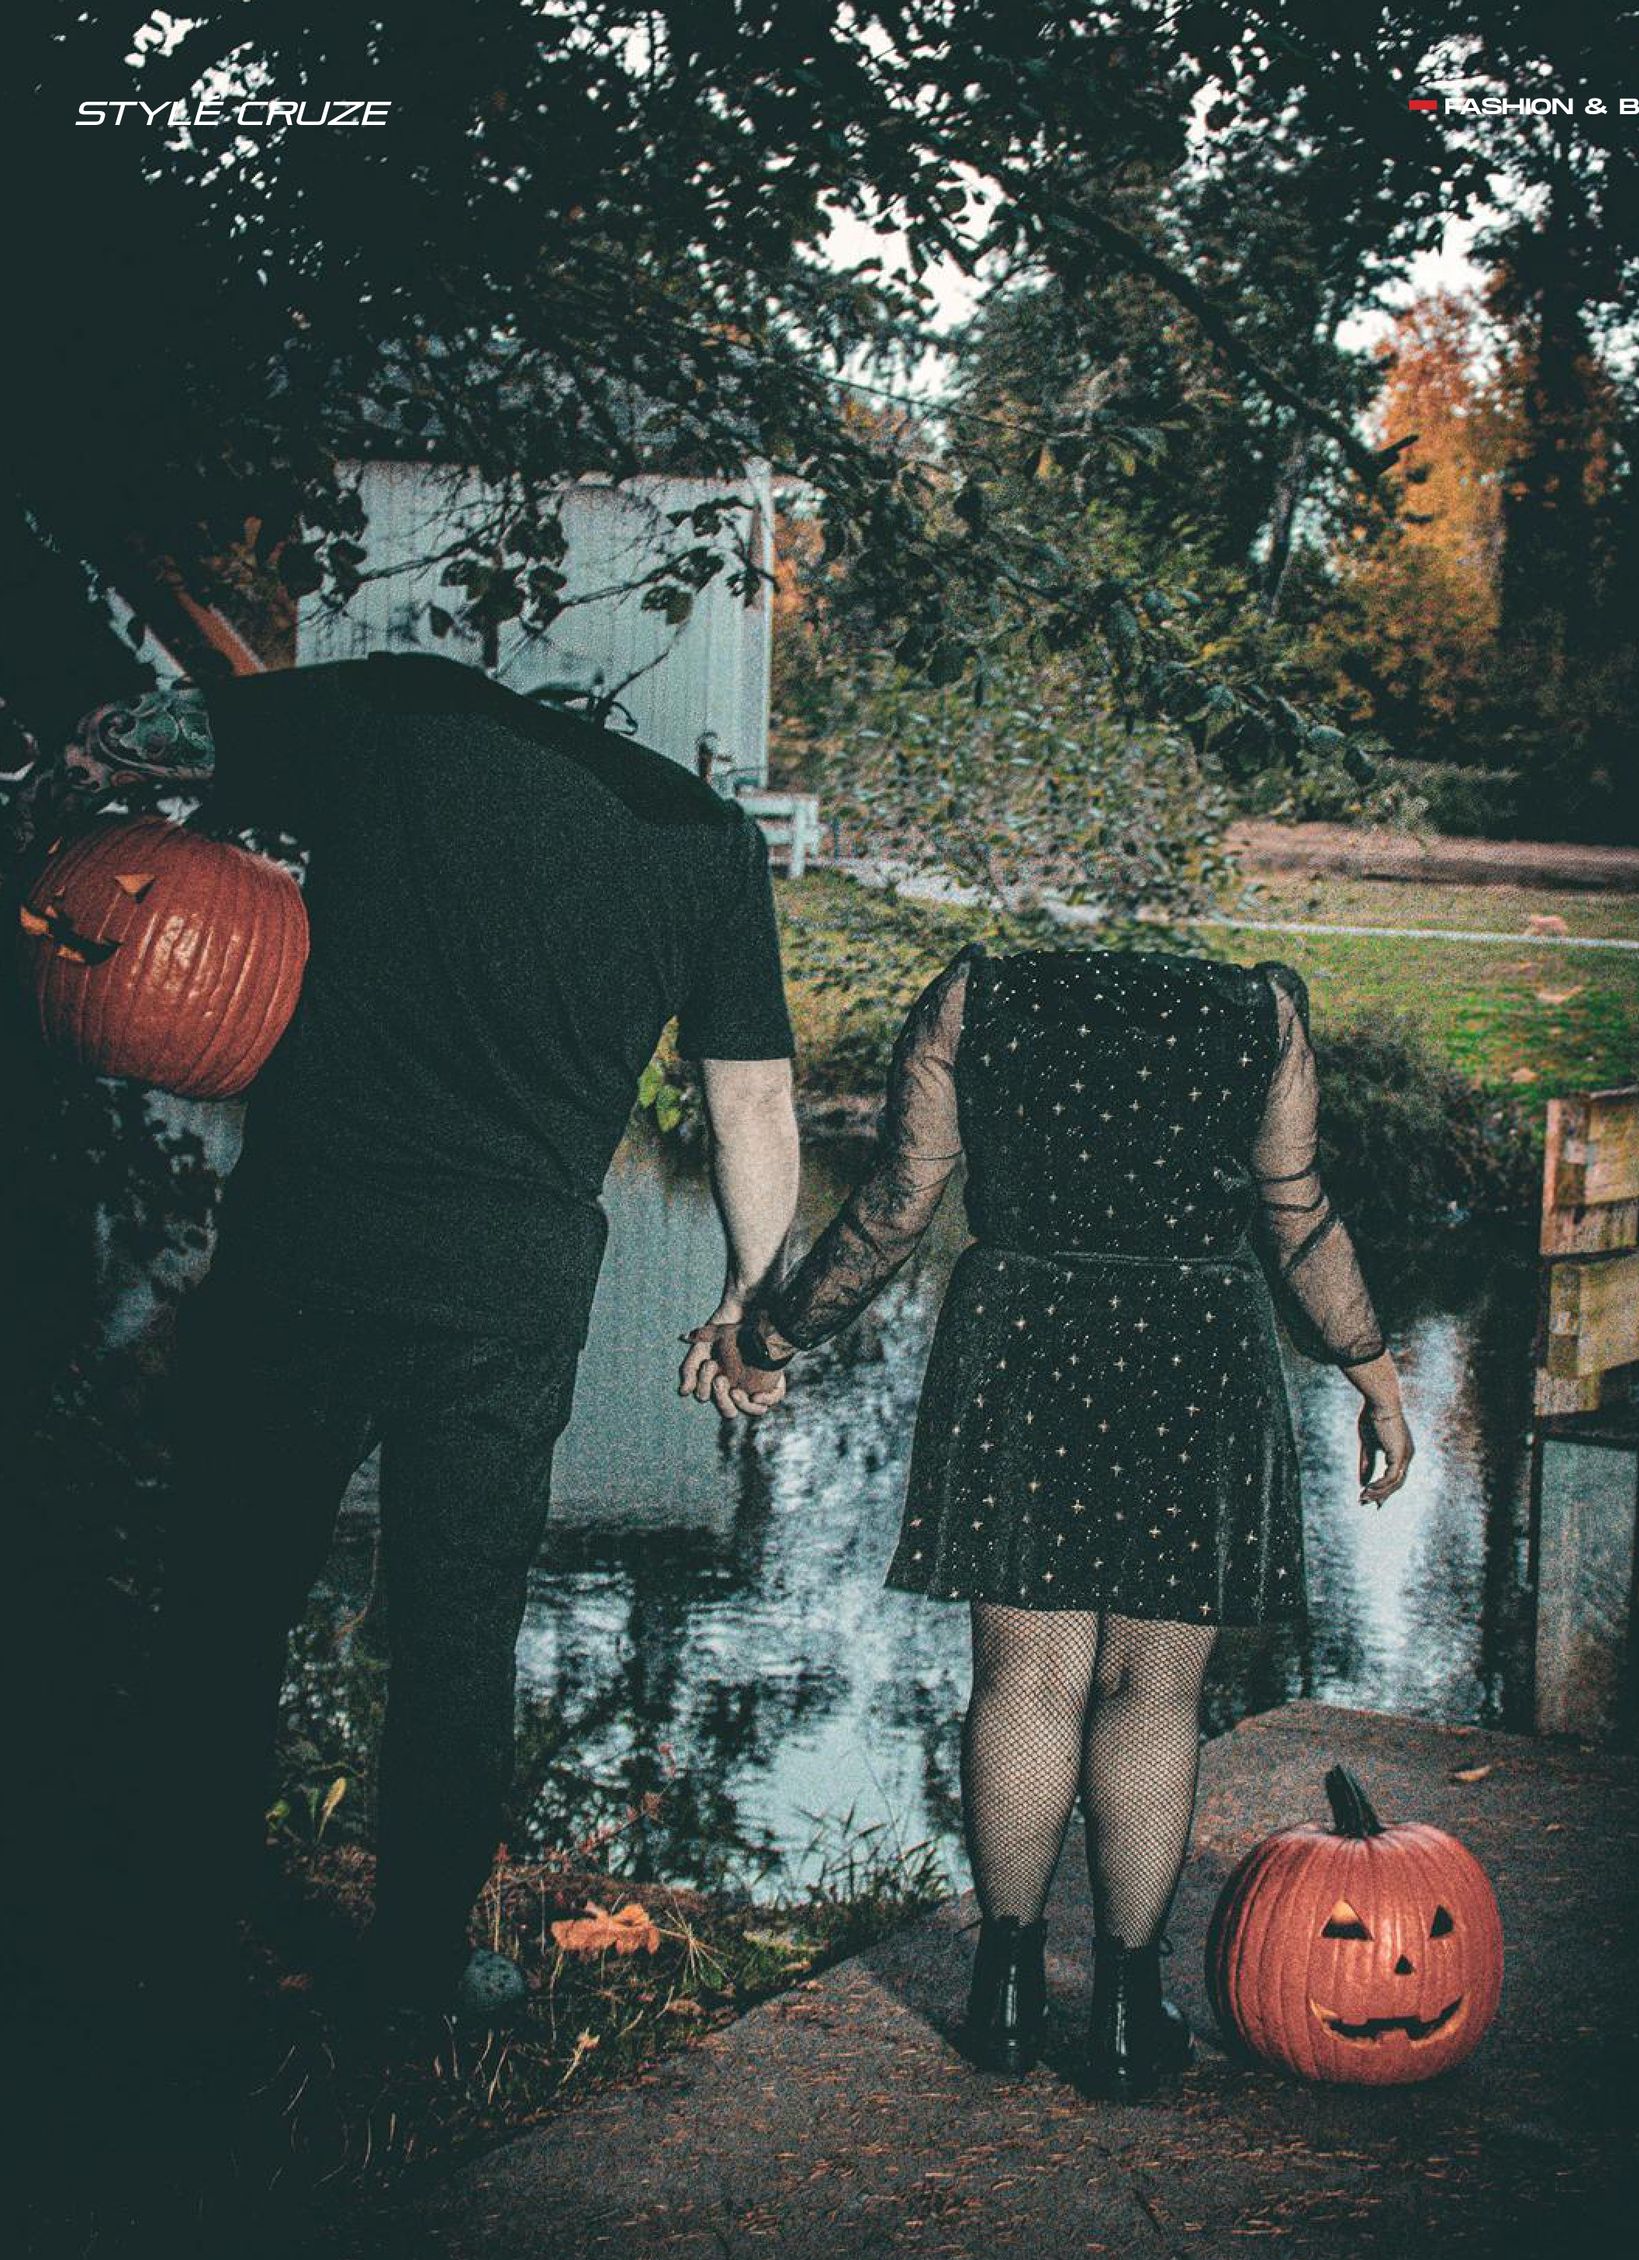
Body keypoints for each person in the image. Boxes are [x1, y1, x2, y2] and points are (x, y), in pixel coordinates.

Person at [49, 654, 799, 2018]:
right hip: (508, 1286)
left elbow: (143, 733)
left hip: (310, 1240)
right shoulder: (707, 840)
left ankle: (173, 1926)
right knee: (460, 1630)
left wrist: (98, 787)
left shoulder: (397, 711)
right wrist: (755, 1299)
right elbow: (749, 1102)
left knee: (230, 1593)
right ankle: (416, 1965)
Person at [693, 945, 1412, 2101]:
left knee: (1023, 1683)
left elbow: (898, 1204)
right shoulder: (1258, 1009)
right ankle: (1128, 2012)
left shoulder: (977, 995)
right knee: (1153, 1693)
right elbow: (1297, 1212)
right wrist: (1371, 1371)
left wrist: (774, 1337)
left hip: (1026, 1338)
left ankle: (1006, 1993)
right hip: (1195, 1347)